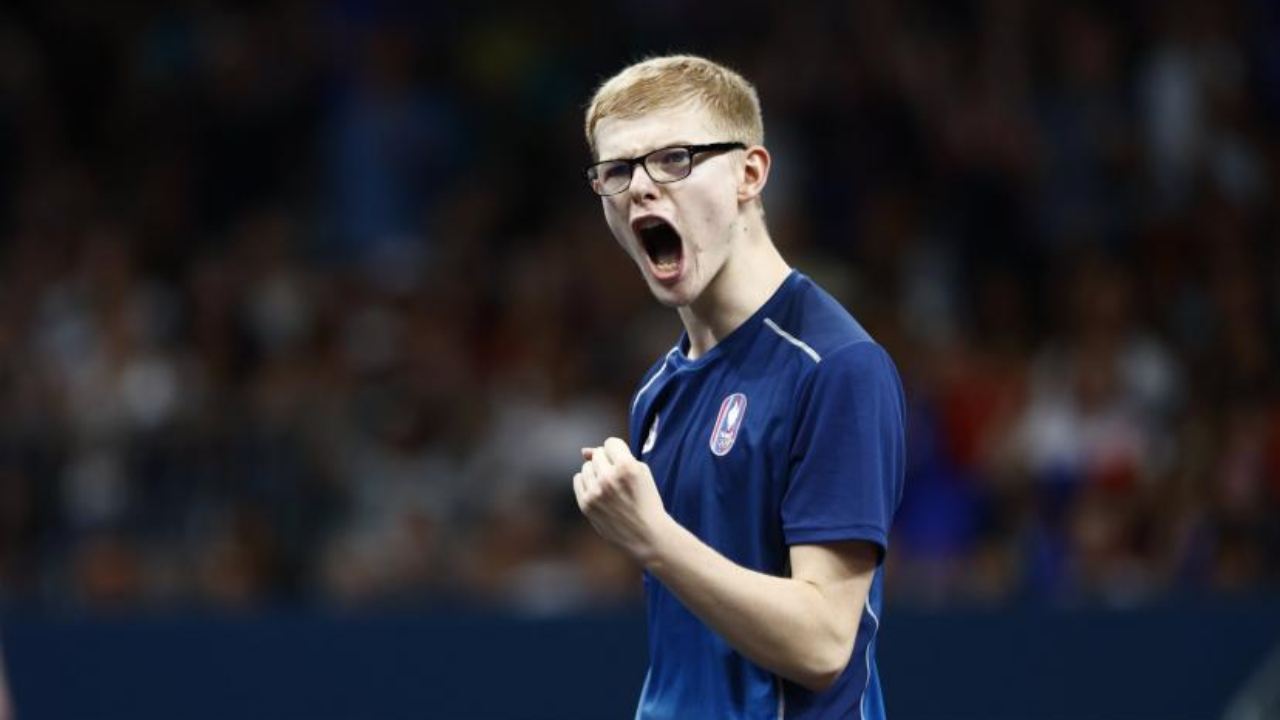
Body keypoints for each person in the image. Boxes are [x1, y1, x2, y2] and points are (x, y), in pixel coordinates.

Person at [572, 55, 906, 719]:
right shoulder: (657, 393)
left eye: (672, 159)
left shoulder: (835, 367)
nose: (639, 188)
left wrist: (652, 538)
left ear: (750, 174)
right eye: (617, 171)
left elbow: (823, 644)